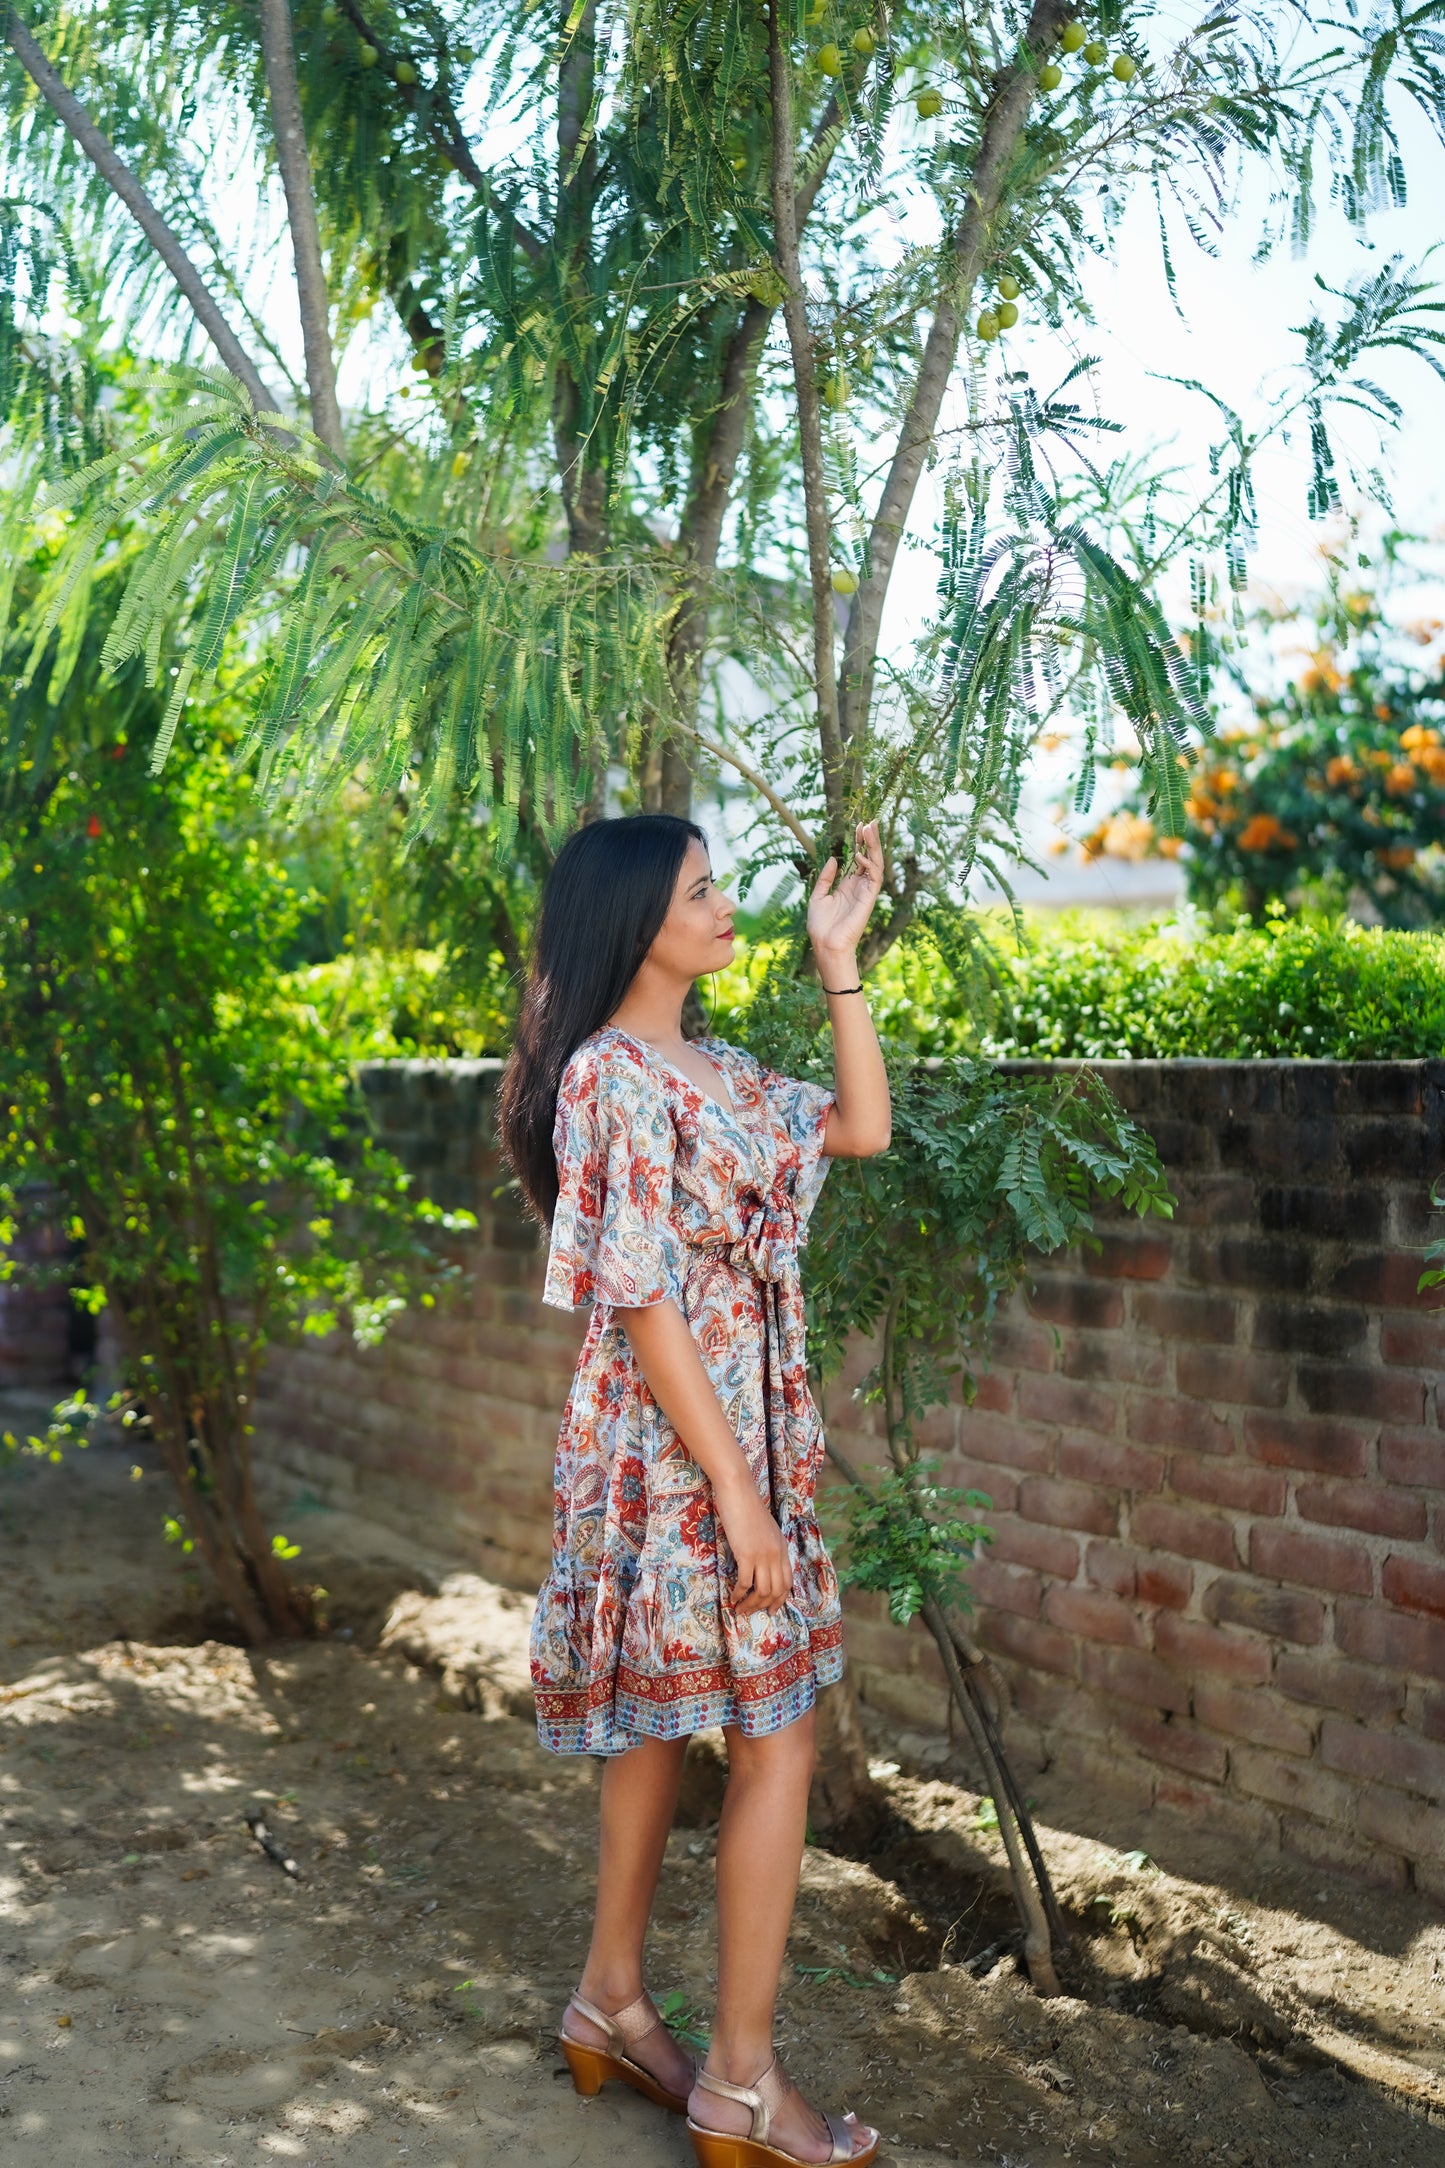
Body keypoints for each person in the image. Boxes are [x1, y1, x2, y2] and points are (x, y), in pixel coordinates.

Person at [499, 812, 892, 2168]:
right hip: (680, 1448)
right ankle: (740, 2082)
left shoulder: (716, 1069)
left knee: (668, 1726)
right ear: (632, 922)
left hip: (736, 1435)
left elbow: (864, 1127)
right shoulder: (609, 1076)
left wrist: (837, 960)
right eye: (702, 891)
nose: (728, 908)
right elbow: (643, 1295)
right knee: (769, 1738)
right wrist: (737, 1492)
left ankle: (609, 1999)